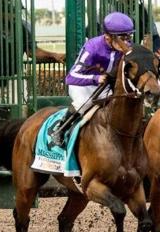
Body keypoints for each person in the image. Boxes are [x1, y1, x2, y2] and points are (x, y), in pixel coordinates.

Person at [52, 11, 136, 142]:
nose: (126, 43)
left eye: (128, 37)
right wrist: (95, 79)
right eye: (122, 38)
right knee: (84, 102)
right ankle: (60, 129)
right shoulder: (93, 47)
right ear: (108, 37)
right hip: (82, 85)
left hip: (105, 86)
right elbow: (71, 77)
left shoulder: (126, 48)